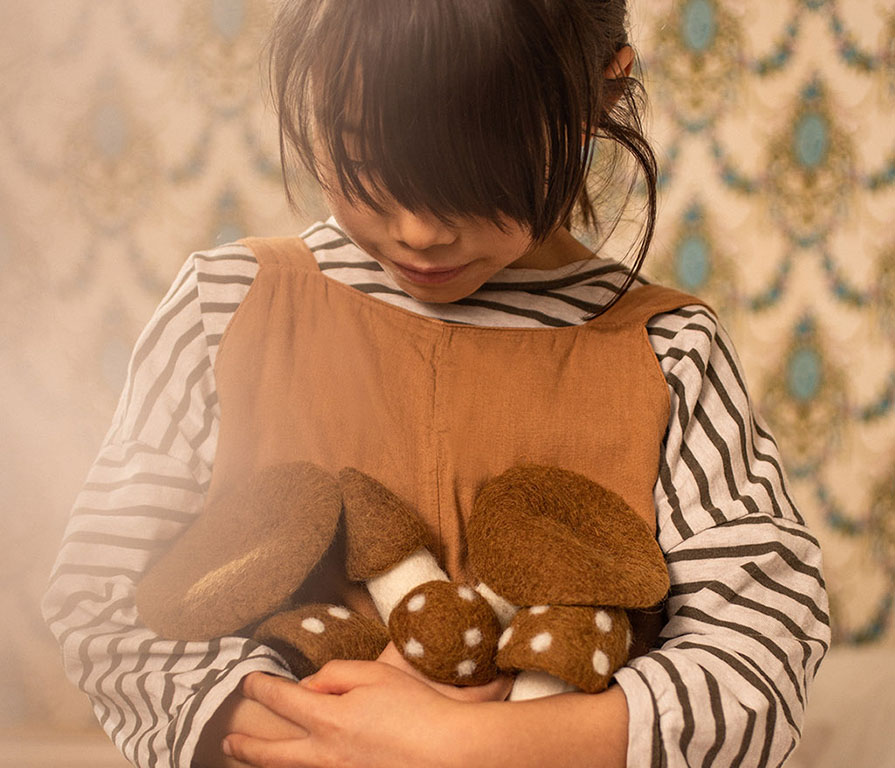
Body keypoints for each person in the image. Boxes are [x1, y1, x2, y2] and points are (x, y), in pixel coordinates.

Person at [41, 1, 831, 767]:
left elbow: (761, 644)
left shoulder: (667, 350)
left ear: (603, 90)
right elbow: (101, 603)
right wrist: (321, 737)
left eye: (479, 168)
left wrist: (472, 749)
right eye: (363, 152)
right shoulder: (226, 306)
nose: (419, 230)